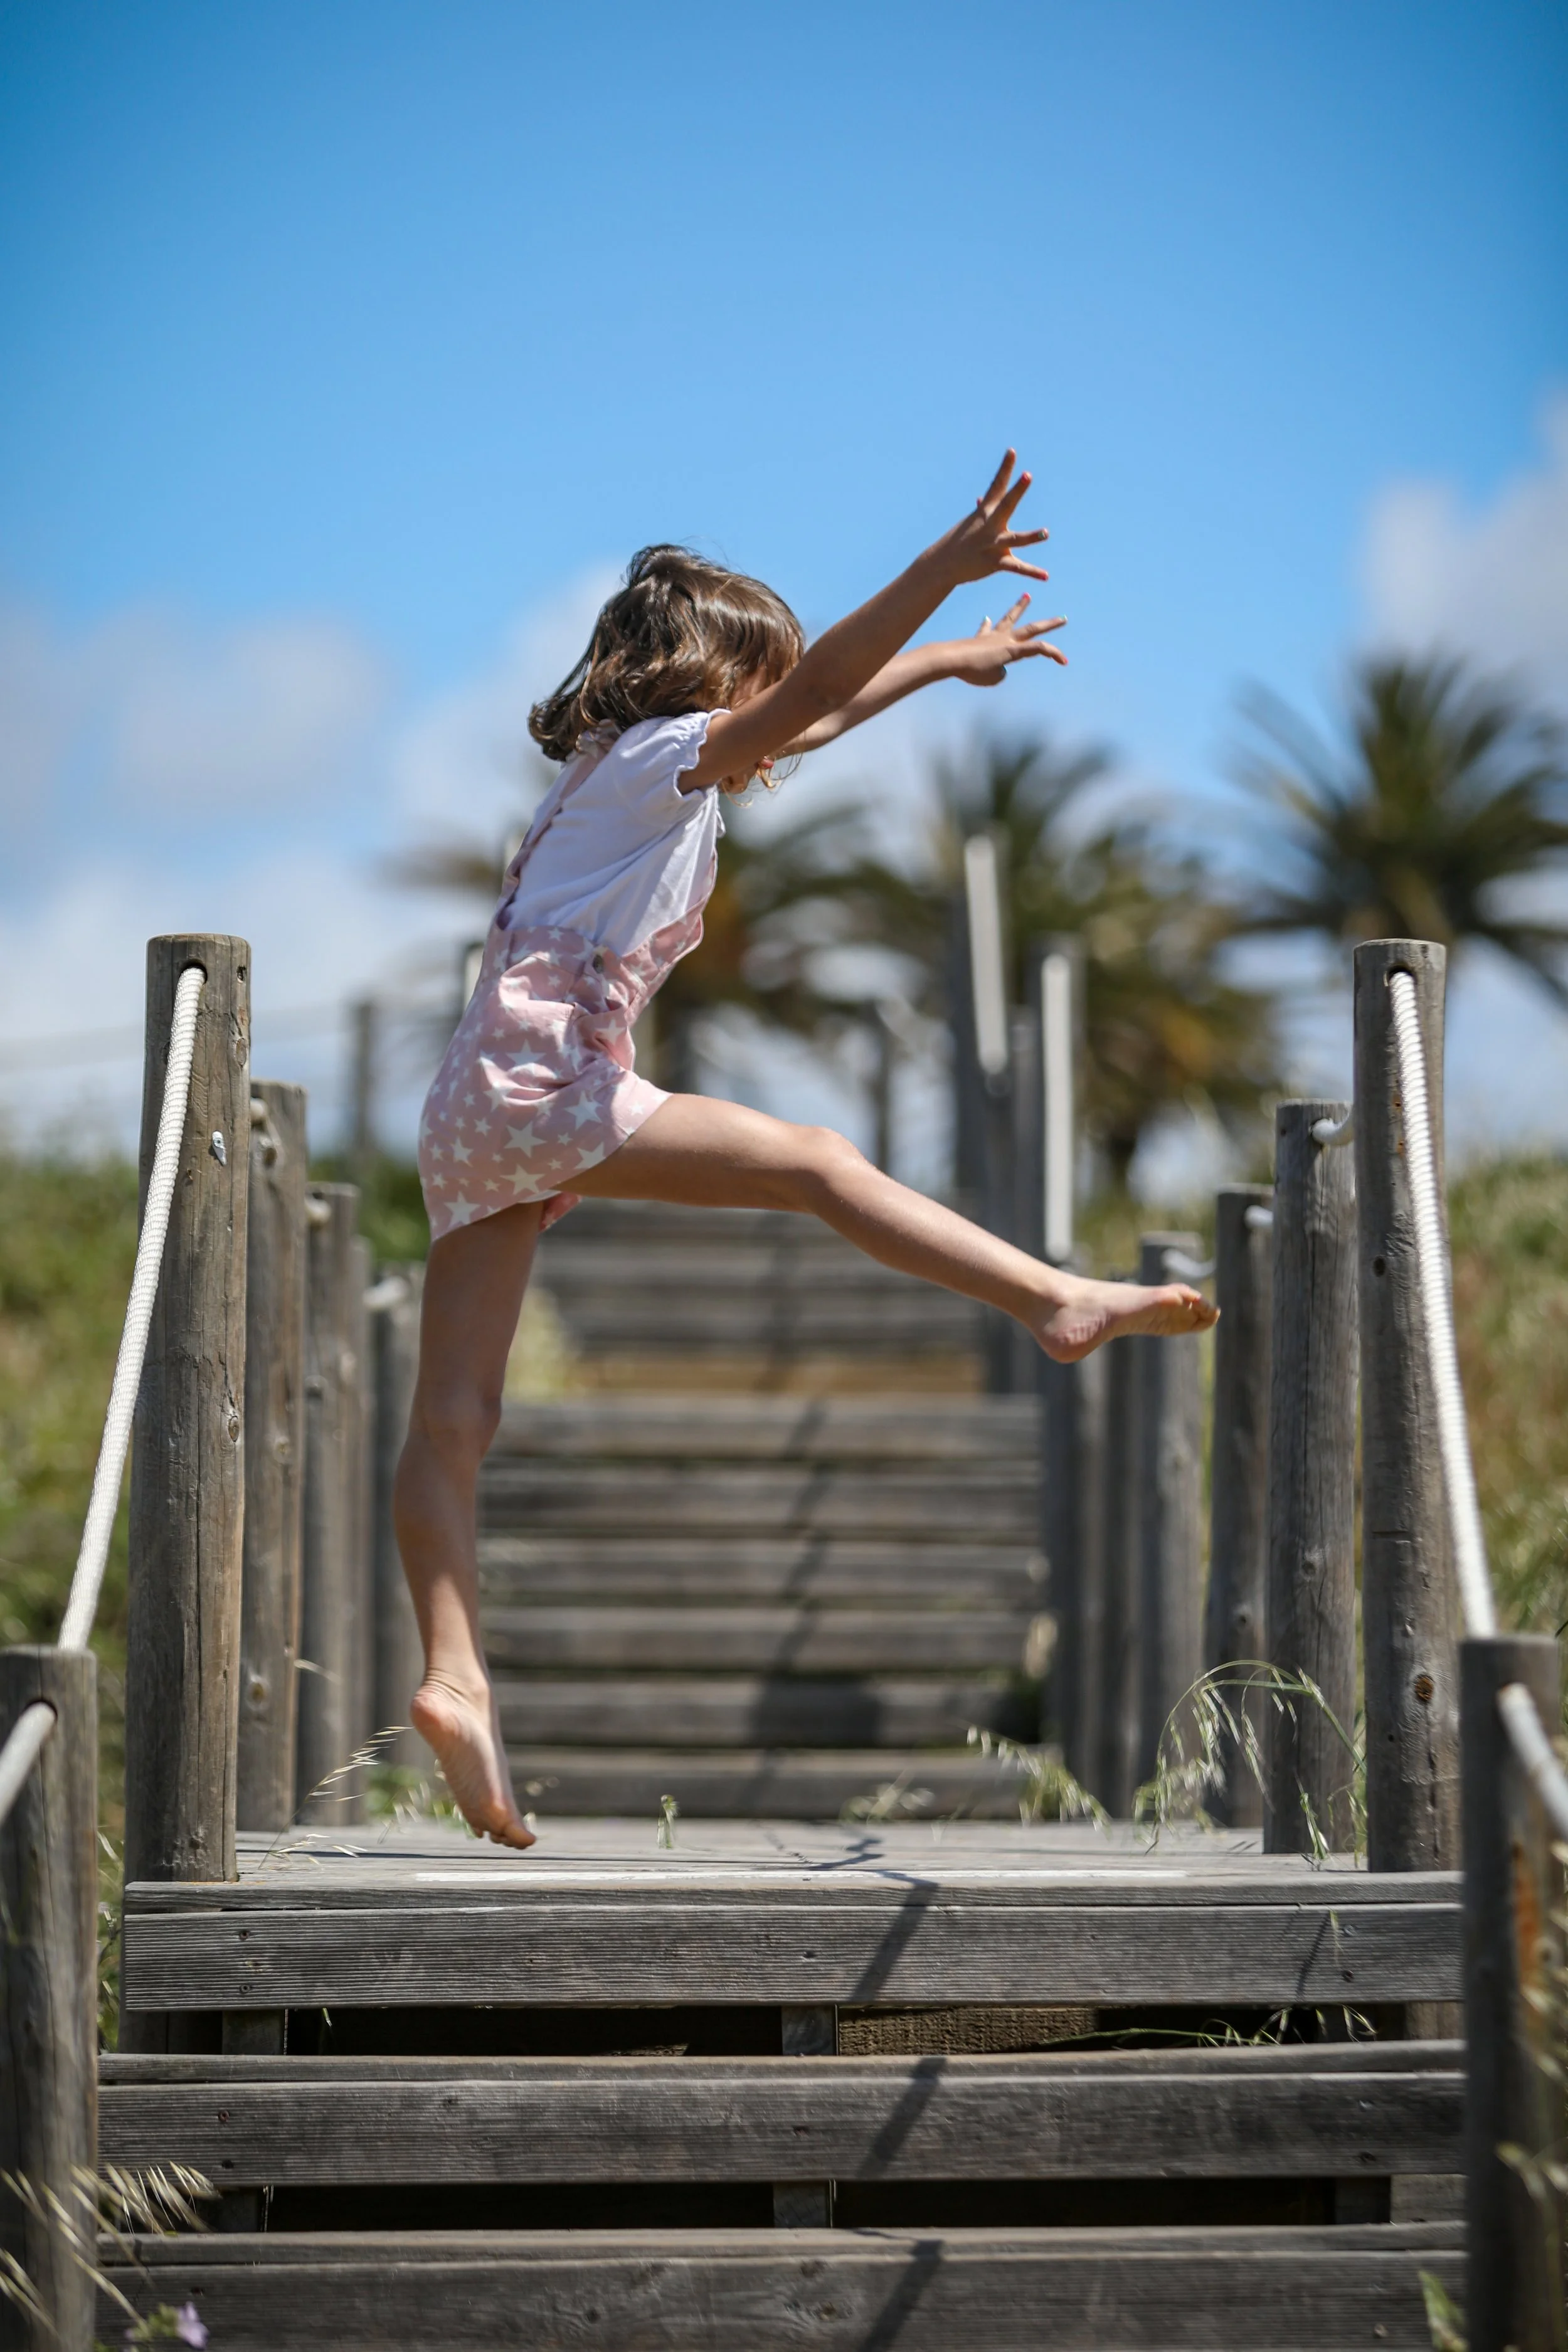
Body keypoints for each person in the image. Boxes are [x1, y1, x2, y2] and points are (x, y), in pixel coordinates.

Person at [395, 452, 1217, 1848]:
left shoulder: (611, 774)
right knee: (821, 1160)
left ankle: (453, 1675)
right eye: (755, 690)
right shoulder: (663, 759)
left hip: (470, 1104)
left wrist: (952, 659)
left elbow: (815, 717)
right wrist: (931, 581)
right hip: (546, 1082)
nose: (774, 727)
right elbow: (815, 692)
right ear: (704, 681)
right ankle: (1052, 1299)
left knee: (451, 1424)